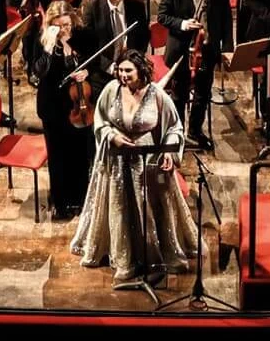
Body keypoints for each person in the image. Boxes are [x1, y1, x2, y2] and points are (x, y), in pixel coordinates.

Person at [71, 48, 198, 284]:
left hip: (147, 163)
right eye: (120, 70)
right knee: (119, 206)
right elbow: (100, 120)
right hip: (117, 161)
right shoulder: (111, 90)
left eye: (128, 70)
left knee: (146, 209)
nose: (123, 75)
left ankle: (148, 255)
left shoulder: (157, 95)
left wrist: (169, 151)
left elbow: (175, 127)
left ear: (141, 70)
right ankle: (124, 258)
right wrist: (112, 136)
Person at [158, 0, 231, 149]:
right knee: (179, 94)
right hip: (181, 49)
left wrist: (228, 46)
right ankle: (177, 132)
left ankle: (195, 131)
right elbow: (162, 16)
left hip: (207, 48)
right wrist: (183, 24)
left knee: (203, 93)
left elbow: (225, 15)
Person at [33, 1, 97, 221]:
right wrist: (49, 47)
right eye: (58, 26)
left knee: (80, 153)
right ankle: (60, 203)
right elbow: (38, 72)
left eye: (67, 25)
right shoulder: (41, 39)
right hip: (53, 106)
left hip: (80, 103)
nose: (63, 30)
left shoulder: (83, 35)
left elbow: (95, 61)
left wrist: (86, 72)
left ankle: (80, 199)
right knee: (58, 156)